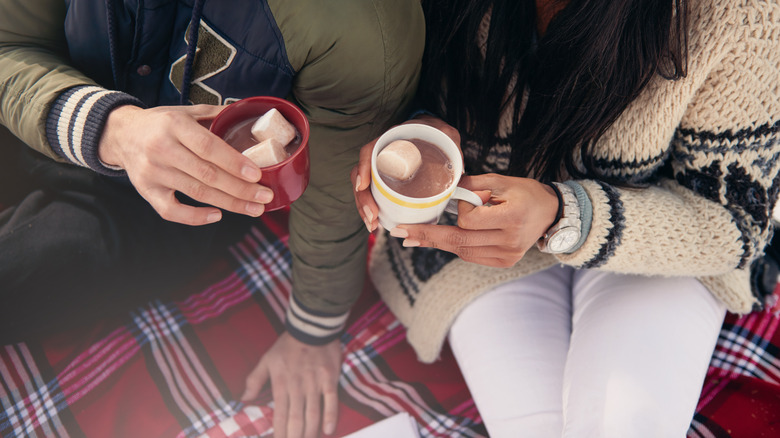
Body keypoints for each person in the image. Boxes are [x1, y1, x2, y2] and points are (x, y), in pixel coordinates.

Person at [352, 0, 780, 436]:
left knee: (625, 426)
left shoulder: (740, 13)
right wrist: (412, 124)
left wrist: (565, 215)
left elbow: (734, 219)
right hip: (475, 249)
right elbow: (366, 77)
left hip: (658, 245)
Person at [0, 1, 424, 437]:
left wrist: (314, 328)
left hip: (173, 205)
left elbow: (336, 185)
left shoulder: (360, 22)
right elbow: (9, 44)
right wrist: (113, 129)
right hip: (44, 110)